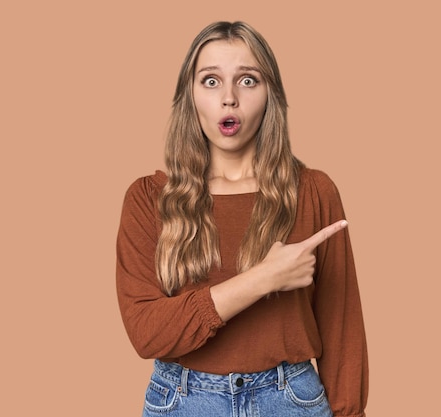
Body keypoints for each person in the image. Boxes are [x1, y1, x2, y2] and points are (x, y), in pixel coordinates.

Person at [116, 21, 368, 417]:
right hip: (182, 401)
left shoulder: (314, 192)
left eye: (248, 80)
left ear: (270, 94)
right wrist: (265, 279)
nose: (229, 98)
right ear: (190, 96)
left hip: (292, 400)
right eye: (211, 81)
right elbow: (147, 333)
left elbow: (342, 329)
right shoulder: (148, 199)